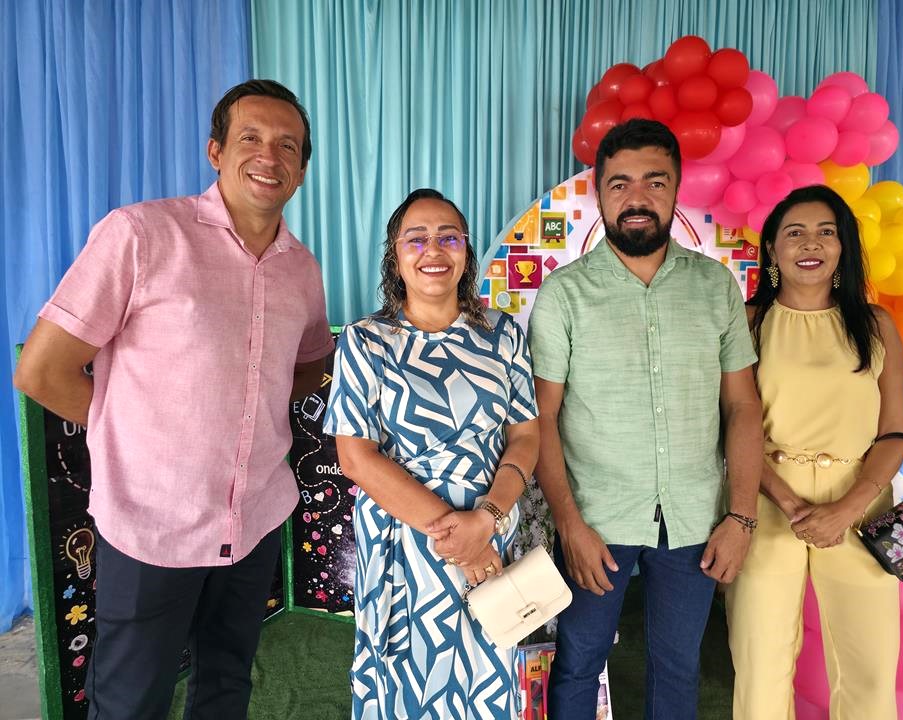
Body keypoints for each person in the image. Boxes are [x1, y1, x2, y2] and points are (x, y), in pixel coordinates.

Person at [14, 79, 334, 719]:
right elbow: (42, 371)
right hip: (151, 525)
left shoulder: (302, 268)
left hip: (254, 519)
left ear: (300, 171)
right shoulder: (140, 235)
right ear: (216, 150)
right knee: (131, 701)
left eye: (287, 146)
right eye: (250, 137)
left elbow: (309, 366)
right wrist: (130, 430)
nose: (269, 156)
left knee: (226, 685)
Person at [527, 118, 764, 720]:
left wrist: (741, 516)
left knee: (678, 666)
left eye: (654, 182)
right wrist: (569, 525)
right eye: (620, 184)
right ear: (600, 194)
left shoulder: (715, 286)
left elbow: (742, 406)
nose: (637, 197)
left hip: (695, 517)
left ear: (677, 189)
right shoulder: (564, 294)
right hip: (596, 519)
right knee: (578, 662)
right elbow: (542, 417)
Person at [323, 188, 540, 719]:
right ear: (395, 257)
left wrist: (486, 522)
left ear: (466, 250)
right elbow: (356, 457)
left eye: (449, 237)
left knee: (486, 671)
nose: (433, 250)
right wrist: (460, 541)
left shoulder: (502, 334)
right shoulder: (366, 341)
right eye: (415, 239)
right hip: (405, 538)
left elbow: (526, 437)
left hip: (490, 527)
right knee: (406, 678)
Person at [725, 185, 903, 719]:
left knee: (870, 667)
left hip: (860, 506)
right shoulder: (747, 322)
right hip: (766, 502)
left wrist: (847, 508)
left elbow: (897, 430)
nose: (811, 243)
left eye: (826, 232)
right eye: (795, 232)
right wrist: (791, 505)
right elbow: (731, 425)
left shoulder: (876, 325)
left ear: (843, 246)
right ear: (772, 249)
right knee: (761, 666)